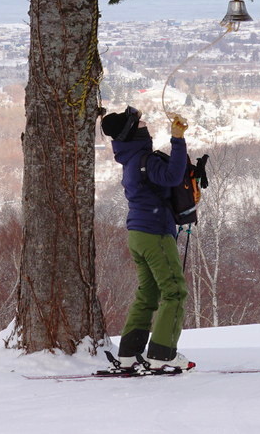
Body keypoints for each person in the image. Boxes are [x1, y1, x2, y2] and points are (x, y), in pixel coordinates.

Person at [100, 104, 194, 373]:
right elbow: (173, 176)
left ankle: (129, 354)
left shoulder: (131, 159)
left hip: (137, 234)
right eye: (140, 124)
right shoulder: (145, 160)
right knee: (174, 291)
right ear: (132, 134)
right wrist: (177, 139)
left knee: (148, 293)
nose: (146, 125)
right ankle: (162, 354)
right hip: (155, 233)